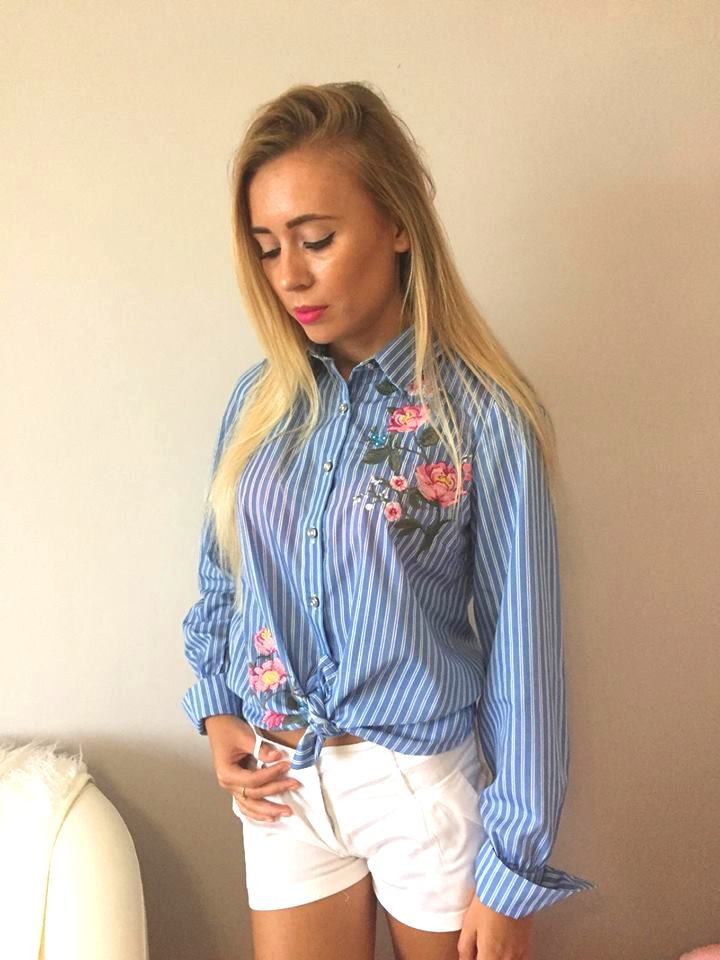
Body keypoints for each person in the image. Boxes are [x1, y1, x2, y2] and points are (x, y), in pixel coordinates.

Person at [181, 81, 594, 960]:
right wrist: (218, 709)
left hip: (418, 786)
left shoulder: (482, 415)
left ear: (398, 224)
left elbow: (525, 651)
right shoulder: (259, 404)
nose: (289, 276)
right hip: (283, 783)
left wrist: (513, 867)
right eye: (266, 248)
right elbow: (223, 579)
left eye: (316, 240)